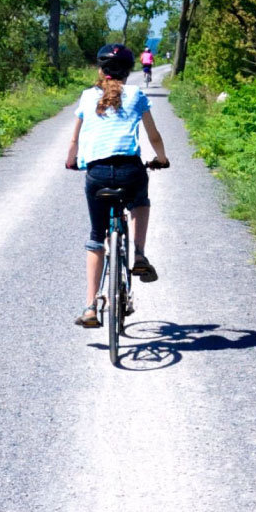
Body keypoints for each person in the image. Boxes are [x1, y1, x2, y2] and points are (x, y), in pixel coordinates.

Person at [65, 43, 170, 328]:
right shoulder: (136, 95)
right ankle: (138, 253)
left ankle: (89, 307)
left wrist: (71, 161)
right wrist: (161, 159)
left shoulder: (88, 96)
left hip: (97, 173)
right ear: (128, 71)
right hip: (130, 171)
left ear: (100, 71)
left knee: (97, 236)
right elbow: (155, 136)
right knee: (140, 202)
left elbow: (74, 140)